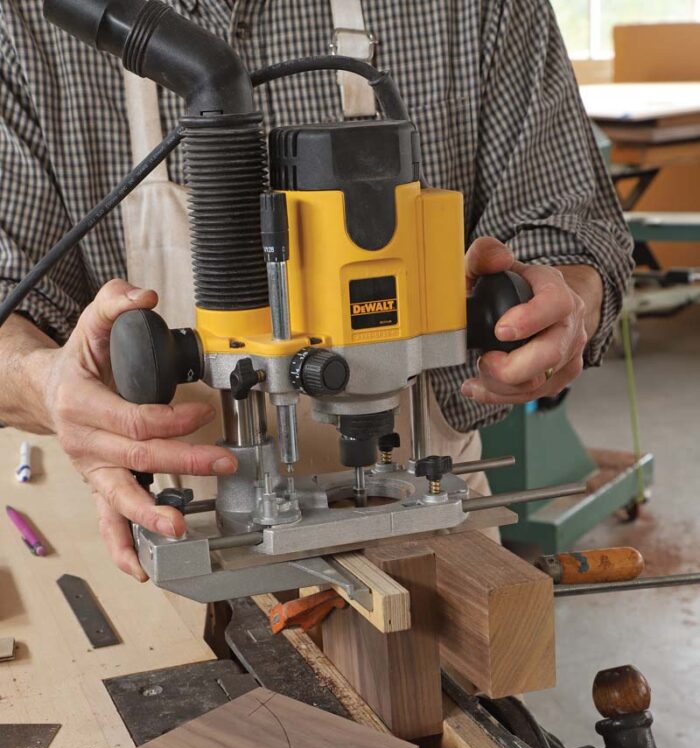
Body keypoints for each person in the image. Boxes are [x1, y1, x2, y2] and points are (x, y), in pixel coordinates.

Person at [0, 1, 633, 580]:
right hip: (182, 524)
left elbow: (572, 228)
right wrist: (44, 383)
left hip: (433, 529)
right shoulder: (26, 22)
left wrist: (560, 301)